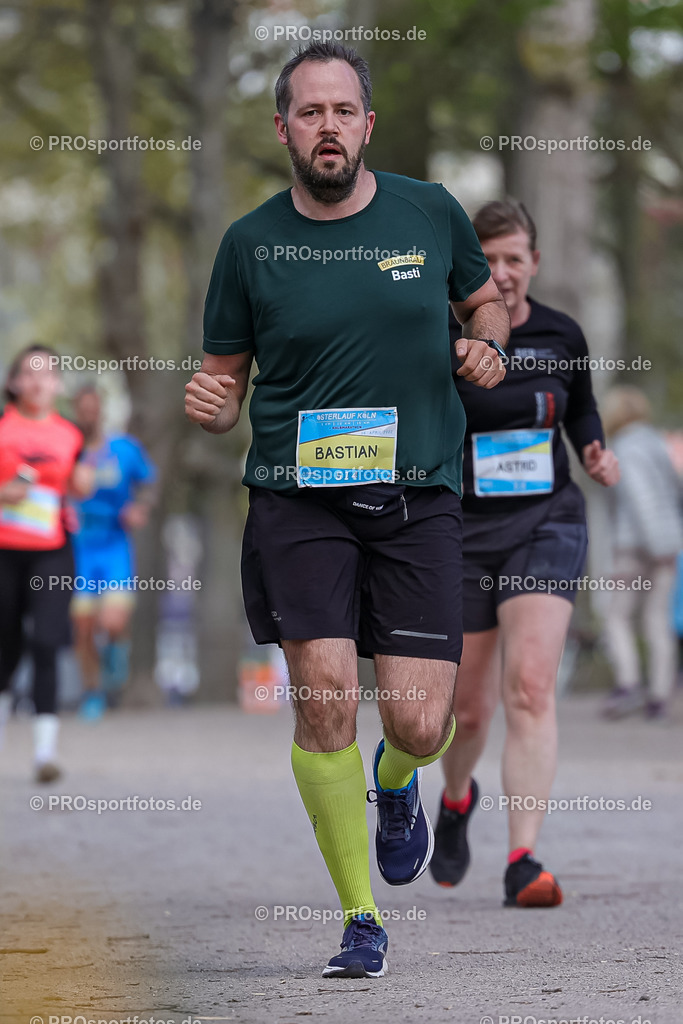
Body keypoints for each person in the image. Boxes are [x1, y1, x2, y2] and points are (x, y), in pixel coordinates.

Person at [185, 42, 508, 978]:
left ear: (367, 124)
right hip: (298, 499)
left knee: (416, 724)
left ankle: (398, 783)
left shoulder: (429, 212)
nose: (327, 127)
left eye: (342, 111)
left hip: (417, 497)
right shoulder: (249, 244)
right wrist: (209, 405)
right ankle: (360, 917)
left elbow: (483, 305)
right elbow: (222, 379)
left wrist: (485, 347)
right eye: (308, 112)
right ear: (282, 128)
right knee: (324, 698)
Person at [429, 199, 620, 907]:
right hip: (462, 531)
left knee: (531, 688)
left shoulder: (560, 334)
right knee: (469, 711)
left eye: (515, 259)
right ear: (468, 265)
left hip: (547, 522)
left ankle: (522, 858)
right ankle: (454, 802)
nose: (503, 274)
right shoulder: (442, 336)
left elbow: (581, 410)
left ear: (533, 264)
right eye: (489, 260)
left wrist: (593, 449)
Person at [0, 345, 92, 781]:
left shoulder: (70, 434)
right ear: (15, 381)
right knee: (6, 642)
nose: (39, 382)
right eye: (29, 373)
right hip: (4, 550)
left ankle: (45, 753)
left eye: (48, 374)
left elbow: (81, 484)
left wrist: (84, 479)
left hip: (53, 549)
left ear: (57, 383)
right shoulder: (2, 427)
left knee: (47, 641)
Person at [69, 385, 156, 720]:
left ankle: (115, 651)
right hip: (79, 549)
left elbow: (148, 484)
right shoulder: (68, 448)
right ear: (77, 411)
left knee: (113, 620)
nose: (89, 414)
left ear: (101, 410)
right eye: (83, 409)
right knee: (84, 627)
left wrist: (140, 507)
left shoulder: (124, 449)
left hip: (115, 545)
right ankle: (93, 693)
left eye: (94, 408)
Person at [599, 386, 683, 719]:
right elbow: (676, 491)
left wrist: (656, 543)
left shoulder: (624, 448)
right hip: (667, 545)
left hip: (634, 546)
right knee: (657, 619)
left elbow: (640, 497)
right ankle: (660, 695)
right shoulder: (657, 444)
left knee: (616, 616)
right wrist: (669, 542)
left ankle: (628, 684)